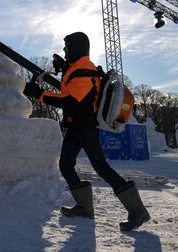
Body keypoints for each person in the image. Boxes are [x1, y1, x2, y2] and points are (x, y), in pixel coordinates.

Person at [22, 32, 150, 231]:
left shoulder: (84, 70)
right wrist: (64, 68)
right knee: (65, 165)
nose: (64, 50)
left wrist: (39, 94)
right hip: (76, 127)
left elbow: (69, 101)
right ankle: (84, 207)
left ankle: (137, 211)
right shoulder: (76, 68)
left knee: (101, 167)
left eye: (67, 47)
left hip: (86, 128)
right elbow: (70, 89)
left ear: (77, 48)